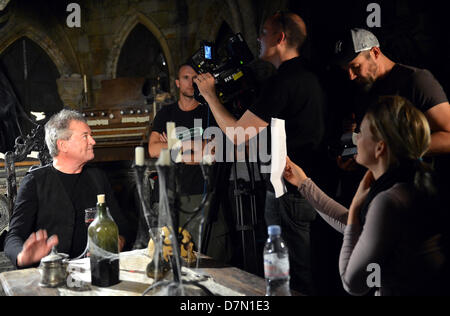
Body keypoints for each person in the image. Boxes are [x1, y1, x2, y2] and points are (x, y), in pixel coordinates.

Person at [194, 11, 325, 294]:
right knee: (300, 269)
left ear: (280, 38)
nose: (258, 38)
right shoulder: (312, 75)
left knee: (289, 275)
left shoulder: (283, 82)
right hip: (309, 187)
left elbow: (238, 135)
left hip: (287, 191)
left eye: (264, 32)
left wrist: (209, 95)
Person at [284, 95, 449, 295]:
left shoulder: (390, 200)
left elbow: (352, 283)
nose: (355, 138)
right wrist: (303, 183)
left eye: (360, 132)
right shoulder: (411, 182)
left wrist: (354, 208)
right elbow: (360, 230)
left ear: (380, 148)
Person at [4, 109, 131, 268]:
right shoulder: (34, 182)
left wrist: (117, 241)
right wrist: (22, 256)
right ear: (62, 145)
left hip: (93, 271)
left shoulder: (98, 178)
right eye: (85, 136)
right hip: (52, 275)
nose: (93, 141)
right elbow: (13, 237)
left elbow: (121, 225)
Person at [333, 28, 450, 170]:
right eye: (346, 70)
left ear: (375, 52)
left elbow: (448, 137)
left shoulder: (417, 81)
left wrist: (398, 149)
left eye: (356, 67)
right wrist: (355, 157)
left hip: (409, 186)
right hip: (375, 186)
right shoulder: (362, 88)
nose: (351, 76)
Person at [148, 63, 231, 263]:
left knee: (204, 258)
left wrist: (173, 147)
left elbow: (210, 153)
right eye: (186, 77)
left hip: (199, 194)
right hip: (168, 194)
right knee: (169, 258)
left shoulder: (208, 113)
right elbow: (152, 149)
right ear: (177, 83)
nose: (191, 81)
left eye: (195, 77)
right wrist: (194, 147)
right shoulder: (165, 114)